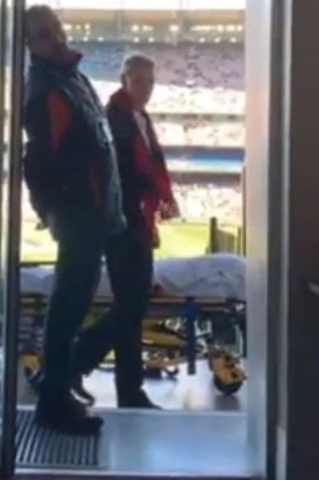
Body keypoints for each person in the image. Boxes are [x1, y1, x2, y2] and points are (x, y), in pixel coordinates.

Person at [22, 4, 126, 434]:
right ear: (29, 44)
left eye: (57, 29)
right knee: (68, 307)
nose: (57, 38)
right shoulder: (46, 89)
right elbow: (40, 163)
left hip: (95, 212)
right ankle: (54, 400)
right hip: (80, 214)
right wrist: (60, 210)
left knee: (76, 303)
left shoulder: (70, 79)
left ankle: (59, 389)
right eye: (45, 34)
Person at [71, 53, 180, 409]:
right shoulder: (117, 119)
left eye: (150, 81)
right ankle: (78, 363)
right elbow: (122, 176)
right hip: (124, 224)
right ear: (124, 79)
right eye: (139, 81)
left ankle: (123, 387)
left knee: (131, 307)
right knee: (131, 306)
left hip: (136, 222)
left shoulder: (137, 119)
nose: (146, 88)